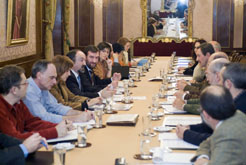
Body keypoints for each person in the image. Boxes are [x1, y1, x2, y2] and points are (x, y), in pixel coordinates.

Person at [0, 65, 70, 139]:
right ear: (14, 90)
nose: (28, 85)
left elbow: (33, 123)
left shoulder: (18, 102)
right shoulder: (2, 110)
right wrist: (55, 132)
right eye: (25, 84)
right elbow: (15, 138)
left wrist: (60, 126)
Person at [23, 60, 94, 123]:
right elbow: (43, 118)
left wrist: (80, 113)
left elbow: (56, 107)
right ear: (39, 75)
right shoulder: (28, 91)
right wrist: (75, 118)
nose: (54, 82)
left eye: (55, 77)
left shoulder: (43, 87)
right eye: (51, 78)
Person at [191, 85, 246, 165]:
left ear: (206, 115)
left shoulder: (226, 135)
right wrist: (203, 157)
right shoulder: (237, 115)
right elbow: (207, 142)